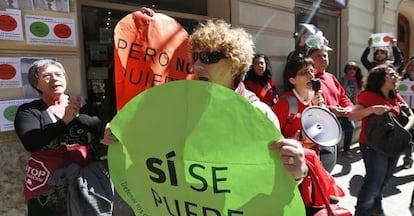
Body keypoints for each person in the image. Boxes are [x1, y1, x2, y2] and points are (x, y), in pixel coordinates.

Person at [103, 19, 308, 188]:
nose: (198, 65)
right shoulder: (185, 107)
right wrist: (121, 136)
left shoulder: (258, 114)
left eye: (208, 57)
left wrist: (298, 171)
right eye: (196, 57)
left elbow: (278, 183)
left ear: (234, 63)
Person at [14, 59, 108, 215]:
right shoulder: (29, 111)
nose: (55, 78)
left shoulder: (81, 104)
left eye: (58, 74)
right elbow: (31, 142)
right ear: (36, 84)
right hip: (48, 186)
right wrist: (64, 121)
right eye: (46, 76)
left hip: (85, 181)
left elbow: (99, 127)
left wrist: (77, 116)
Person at [348, 64, 414, 216]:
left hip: (393, 144)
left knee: (383, 180)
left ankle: (376, 209)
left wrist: (404, 131)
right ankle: (362, 212)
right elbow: (353, 115)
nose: (396, 77)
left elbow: (411, 115)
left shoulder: (394, 95)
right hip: (373, 146)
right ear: (381, 78)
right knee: (373, 182)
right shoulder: (368, 95)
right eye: (391, 74)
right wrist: (372, 110)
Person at [307, 46, 354, 173]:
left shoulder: (331, 77)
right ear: (310, 59)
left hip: (333, 126)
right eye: (319, 56)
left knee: (329, 163)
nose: (323, 58)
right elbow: (308, 105)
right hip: (316, 129)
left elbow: (343, 97)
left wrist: (349, 108)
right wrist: (330, 109)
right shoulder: (307, 79)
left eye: (325, 56)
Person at [338, 61, 364, 159]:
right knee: (350, 127)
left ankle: (347, 149)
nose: (352, 71)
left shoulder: (359, 82)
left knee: (351, 128)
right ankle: (345, 149)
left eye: (354, 69)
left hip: (355, 108)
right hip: (343, 108)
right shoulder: (341, 81)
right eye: (349, 69)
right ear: (346, 70)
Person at [400, 56, 414, 169]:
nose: (413, 68)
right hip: (406, 112)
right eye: (411, 66)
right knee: (408, 137)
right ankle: (408, 159)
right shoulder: (401, 80)